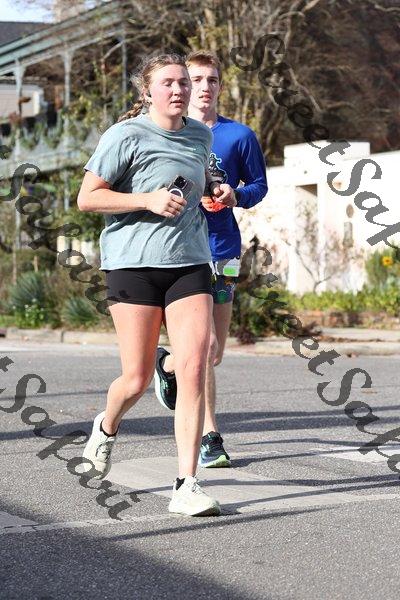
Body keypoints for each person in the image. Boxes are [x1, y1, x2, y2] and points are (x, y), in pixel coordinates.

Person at [77, 53, 221, 517]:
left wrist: (215, 191)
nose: (179, 90)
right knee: (136, 379)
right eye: (168, 83)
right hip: (132, 265)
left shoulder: (200, 135)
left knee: (194, 366)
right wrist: (147, 200)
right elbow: (87, 198)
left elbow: (200, 180)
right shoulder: (124, 136)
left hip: (190, 262)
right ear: (148, 91)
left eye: (183, 82)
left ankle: (186, 484)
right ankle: (106, 426)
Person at [154, 51, 268, 467]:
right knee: (204, 348)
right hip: (182, 249)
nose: (204, 87)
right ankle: (210, 436)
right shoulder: (168, 133)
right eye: (196, 79)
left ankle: (167, 365)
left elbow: (259, 185)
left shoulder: (239, 136)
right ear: (185, 84)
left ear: (220, 86)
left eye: (212, 80)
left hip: (224, 250)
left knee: (214, 351)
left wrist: (236, 195)